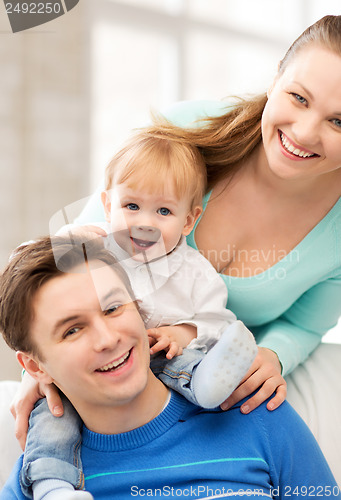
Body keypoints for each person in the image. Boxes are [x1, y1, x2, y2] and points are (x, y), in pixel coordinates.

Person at [68, 14, 341, 415]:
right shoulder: (185, 131)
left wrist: (273, 355)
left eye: (338, 121)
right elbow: (71, 257)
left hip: (202, 396)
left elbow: (304, 325)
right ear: (275, 78)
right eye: (298, 98)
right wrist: (41, 368)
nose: (304, 132)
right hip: (101, 368)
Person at [9, 129, 257, 500]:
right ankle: (52, 486)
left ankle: (207, 387)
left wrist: (183, 332)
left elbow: (216, 320)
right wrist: (72, 235)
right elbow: (29, 264)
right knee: (54, 416)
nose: (145, 223)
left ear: (189, 221)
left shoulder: (195, 271)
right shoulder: (91, 245)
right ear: (108, 206)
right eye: (131, 207)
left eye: (163, 211)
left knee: (190, 362)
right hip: (98, 377)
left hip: (165, 365)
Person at [0, 236, 340, 499]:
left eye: (114, 308)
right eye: (72, 330)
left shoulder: (253, 411)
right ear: (35, 366)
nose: (107, 339)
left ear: (141, 310)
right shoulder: (43, 479)